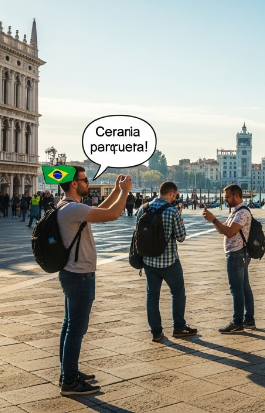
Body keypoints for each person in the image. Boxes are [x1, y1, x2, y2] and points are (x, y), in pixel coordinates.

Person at [57, 167, 132, 395]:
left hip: (73, 272)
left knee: (69, 326)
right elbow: (112, 214)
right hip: (79, 275)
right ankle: (69, 381)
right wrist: (126, 192)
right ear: (73, 184)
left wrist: (118, 191)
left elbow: (101, 209)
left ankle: (68, 372)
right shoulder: (72, 208)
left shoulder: (67, 206)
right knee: (76, 329)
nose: (87, 183)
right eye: (84, 179)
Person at [136, 181, 196, 342]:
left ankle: (156, 332)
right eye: (175, 195)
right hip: (169, 261)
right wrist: (180, 221)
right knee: (178, 293)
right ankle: (178, 327)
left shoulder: (143, 208)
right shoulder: (172, 211)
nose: (175, 197)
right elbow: (181, 237)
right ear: (171, 193)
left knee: (152, 296)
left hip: (148, 260)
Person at [202, 184, 256, 334]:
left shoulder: (242, 213)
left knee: (236, 289)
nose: (225, 199)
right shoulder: (236, 211)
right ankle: (249, 320)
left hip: (236, 254)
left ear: (237, 196)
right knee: (244, 286)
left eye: (227, 196)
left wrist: (214, 220)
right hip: (239, 253)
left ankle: (237, 322)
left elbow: (230, 232)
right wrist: (213, 220)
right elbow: (224, 229)